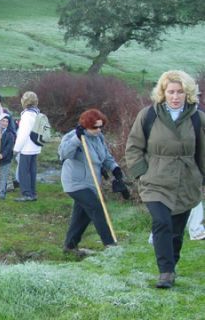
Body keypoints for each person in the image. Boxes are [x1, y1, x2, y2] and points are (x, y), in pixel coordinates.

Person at [126, 70, 205, 289]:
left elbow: (203, 151)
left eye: (180, 92)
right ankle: (166, 272)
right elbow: (133, 146)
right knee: (162, 222)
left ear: (188, 93)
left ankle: (172, 264)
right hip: (155, 181)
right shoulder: (148, 115)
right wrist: (140, 173)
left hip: (186, 182)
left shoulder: (198, 118)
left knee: (177, 232)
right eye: (170, 92)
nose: (175, 96)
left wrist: (202, 177)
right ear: (163, 93)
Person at [58, 109, 124, 256]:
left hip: (92, 183)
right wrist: (76, 139)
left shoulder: (99, 137)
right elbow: (63, 155)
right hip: (75, 182)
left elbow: (105, 157)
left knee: (82, 215)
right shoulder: (73, 136)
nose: (98, 130)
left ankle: (69, 246)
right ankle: (110, 244)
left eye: (101, 126)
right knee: (96, 208)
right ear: (86, 125)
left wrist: (116, 170)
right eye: (95, 127)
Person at [13, 91, 42, 202]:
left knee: (23, 171)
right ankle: (33, 193)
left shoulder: (26, 115)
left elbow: (23, 134)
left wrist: (16, 149)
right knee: (32, 171)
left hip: (26, 148)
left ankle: (26, 194)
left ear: (24, 102)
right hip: (36, 146)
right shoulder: (37, 113)